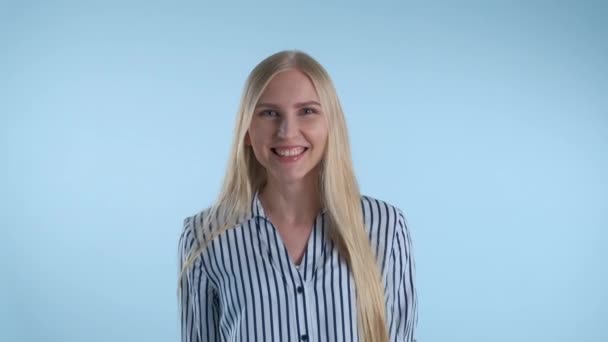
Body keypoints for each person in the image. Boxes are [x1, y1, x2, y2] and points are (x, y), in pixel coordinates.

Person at [177, 50, 418, 342]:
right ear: (247, 131)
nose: (287, 132)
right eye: (269, 113)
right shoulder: (205, 237)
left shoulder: (386, 227)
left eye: (307, 111)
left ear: (331, 125)